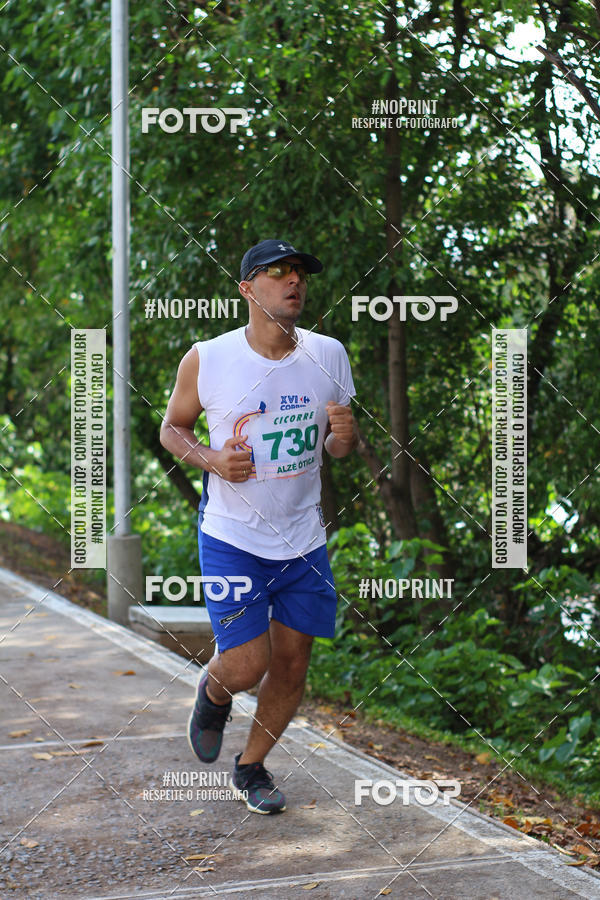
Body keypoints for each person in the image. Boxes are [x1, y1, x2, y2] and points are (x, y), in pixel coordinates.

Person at [160, 238, 357, 814]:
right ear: (248, 289)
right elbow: (173, 429)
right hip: (232, 537)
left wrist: (343, 440)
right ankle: (214, 688)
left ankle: (251, 770)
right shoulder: (209, 358)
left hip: (303, 540)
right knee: (249, 662)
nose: (293, 281)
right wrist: (213, 460)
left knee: (293, 663)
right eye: (277, 273)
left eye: (299, 272)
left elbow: (337, 447)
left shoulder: (329, 354)